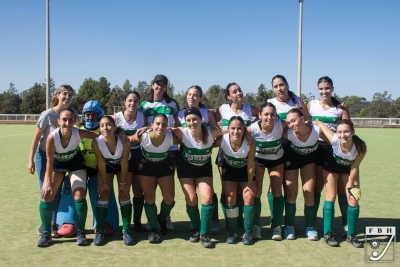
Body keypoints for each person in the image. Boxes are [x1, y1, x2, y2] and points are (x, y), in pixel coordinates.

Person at [37, 108, 97, 247]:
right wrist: (47, 182)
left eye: (71, 120)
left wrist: (117, 132)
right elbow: (49, 162)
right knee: (47, 195)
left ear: (75, 121)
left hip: (76, 165)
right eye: (64, 119)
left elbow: (97, 136)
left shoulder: (78, 132)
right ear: (58, 121)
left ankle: (81, 231)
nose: (67, 123)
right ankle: (46, 233)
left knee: (79, 193)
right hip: (57, 167)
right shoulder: (52, 137)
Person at [171, 107, 223, 248]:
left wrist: (247, 135)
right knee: (191, 199)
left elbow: (231, 132)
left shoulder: (212, 132)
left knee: (207, 198)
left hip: (203, 169)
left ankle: (204, 234)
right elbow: (162, 129)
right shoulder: (182, 132)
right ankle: (198, 228)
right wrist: (145, 128)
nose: (192, 122)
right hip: (185, 169)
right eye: (188, 120)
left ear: (201, 120)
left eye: (195, 119)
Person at [28, 85, 75, 237]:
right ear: (57, 95)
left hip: (59, 158)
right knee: (47, 190)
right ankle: (45, 225)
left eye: (70, 95)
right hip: (43, 155)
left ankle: (52, 222)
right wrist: (31, 160)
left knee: (57, 191)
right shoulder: (48, 115)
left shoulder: (71, 114)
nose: (67, 97)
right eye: (64, 94)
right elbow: (36, 138)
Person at [307, 76, 350, 236]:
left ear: (332, 88)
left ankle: (347, 225)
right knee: (317, 185)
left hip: (336, 150)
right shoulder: (311, 105)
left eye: (327, 88)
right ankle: (313, 223)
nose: (324, 91)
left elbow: (348, 131)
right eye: (321, 89)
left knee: (342, 189)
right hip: (317, 148)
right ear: (318, 90)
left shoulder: (341, 108)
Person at [314, 119, 366, 248]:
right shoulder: (334, 139)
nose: (343, 135)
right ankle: (328, 234)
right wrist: (312, 121)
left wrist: (350, 183)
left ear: (353, 132)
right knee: (331, 197)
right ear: (336, 133)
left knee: (353, 199)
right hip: (331, 166)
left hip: (349, 170)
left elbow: (355, 167)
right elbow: (321, 124)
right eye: (340, 132)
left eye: (347, 132)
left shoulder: (360, 147)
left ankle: (351, 234)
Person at [266, 75, 310, 226]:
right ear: (273, 89)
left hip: (295, 148)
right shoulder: (270, 103)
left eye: (282, 85)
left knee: (290, 188)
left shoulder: (297, 100)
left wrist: (301, 113)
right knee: (275, 184)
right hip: (277, 148)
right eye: (276, 86)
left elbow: (308, 120)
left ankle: (289, 221)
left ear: (287, 85)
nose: (279, 88)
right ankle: (275, 218)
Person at [214, 82, 259, 231]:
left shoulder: (249, 109)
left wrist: (249, 132)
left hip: (244, 152)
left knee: (243, 189)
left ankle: (239, 219)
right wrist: (224, 133)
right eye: (234, 92)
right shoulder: (223, 109)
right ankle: (229, 219)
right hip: (225, 152)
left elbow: (265, 118)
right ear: (228, 96)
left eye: (239, 90)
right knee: (227, 190)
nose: (238, 93)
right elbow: (212, 125)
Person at [177, 85, 220, 234]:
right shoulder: (180, 113)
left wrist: (205, 145)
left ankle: (212, 220)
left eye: (195, 95)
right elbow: (173, 133)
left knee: (208, 194)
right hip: (186, 155)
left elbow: (218, 133)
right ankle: (196, 224)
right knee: (191, 197)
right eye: (189, 94)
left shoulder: (207, 113)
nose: (191, 97)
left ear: (200, 98)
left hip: (204, 155)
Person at [140, 74, 179, 231]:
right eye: (157, 84)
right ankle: (152, 220)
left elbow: (178, 124)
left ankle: (165, 217)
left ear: (166, 87)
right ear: (152, 85)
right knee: (150, 192)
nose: (160, 87)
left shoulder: (172, 104)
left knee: (168, 193)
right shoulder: (144, 105)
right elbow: (142, 126)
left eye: (163, 84)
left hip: (170, 149)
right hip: (150, 148)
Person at [130, 114, 177, 243]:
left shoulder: (171, 137)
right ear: (152, 125)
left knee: (169, 198)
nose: (160, 127)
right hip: (146, 166)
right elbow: (127, 139)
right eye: (157, 123)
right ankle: (154, 230)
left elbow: (190, 136)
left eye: (163, 124)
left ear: (168, 126)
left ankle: (161, 218)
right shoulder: (143, 137)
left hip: (164, 166)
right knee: (149, 197)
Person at [78, 100, 119, 237]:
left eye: (93, 115)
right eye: (87, 115)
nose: (90, 118)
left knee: (103, 189)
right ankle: (70, 221)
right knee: (73, 189)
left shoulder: (105, 129)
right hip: (80, 167)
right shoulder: (77, 130)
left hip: (99, 168)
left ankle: (106, 221)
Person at [91, 116, 133, 246]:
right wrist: (103, 182)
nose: (105, 128)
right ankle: (100, 231)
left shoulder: (124, 141)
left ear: (115, 127)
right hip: (107, 167)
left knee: (124, 193)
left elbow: (125, 163)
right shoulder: (96, 142)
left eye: (109, 125)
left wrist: (123, 183)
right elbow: (101, 163)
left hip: (123, 166)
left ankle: (126, 230)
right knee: (104, 193)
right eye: (102, 125)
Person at [214, 116, 256, 245]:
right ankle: (232, 230)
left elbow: (250, 164)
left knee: (249, 196)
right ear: (228, 129)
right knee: (230, 198)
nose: (236, 131)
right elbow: (207, 143)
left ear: (244, 129)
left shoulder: (250, 142)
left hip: (245, 171)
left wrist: (249, 184)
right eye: (233, 128)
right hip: (229, 170)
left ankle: (247, 231)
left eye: (239, 128)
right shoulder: (223, 140)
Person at [247, 102, 286, 240]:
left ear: (276, 115)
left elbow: (296, 123)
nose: (269, 117)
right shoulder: (253, 128)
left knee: (276, 190)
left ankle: (276, 226)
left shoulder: (281, 124)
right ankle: (256, 226)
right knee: (257, 191)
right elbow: (238, 133)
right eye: (266, 114)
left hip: (277, 161)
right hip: (259, 161)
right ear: (259, 115)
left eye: (272, 114)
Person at [283, 108, 319, 241]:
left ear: (303, 119)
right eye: (288, 122)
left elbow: (334, 139)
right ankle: (289, 226)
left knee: (308, 191)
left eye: (294, 120)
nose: (291, 125)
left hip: (309, 160)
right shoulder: (288, 133)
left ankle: (310, 227)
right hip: (291, 159)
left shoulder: (316, 130)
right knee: (291, 193)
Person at [115, 91, 146, 232]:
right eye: (130, 100)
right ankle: (126, 225)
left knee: (139, 192)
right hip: (123, 157)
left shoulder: (142, 117)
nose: (132, 103)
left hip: (139, 156)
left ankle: (137, 222)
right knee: (125, 190)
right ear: (124, 102)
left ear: (139, 103)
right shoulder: (117, 117)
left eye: (135, 101)